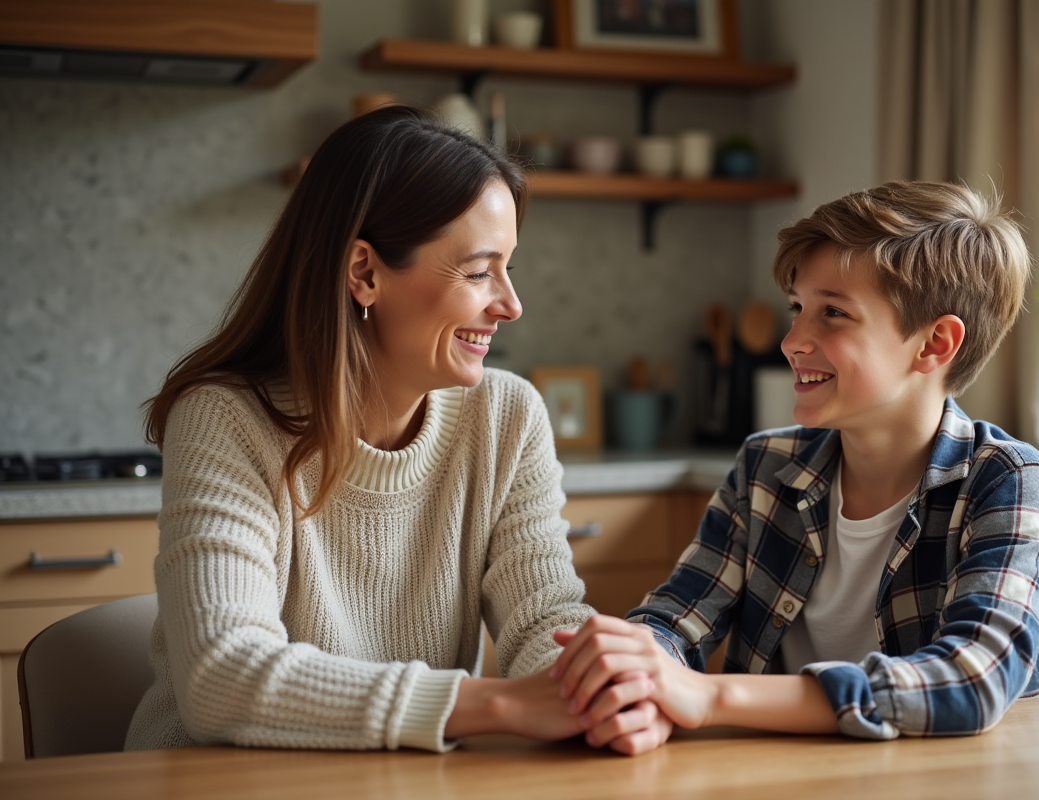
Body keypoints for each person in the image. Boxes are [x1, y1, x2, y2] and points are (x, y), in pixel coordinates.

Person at [124, 105, 663, 755]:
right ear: (365, 273)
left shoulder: (508, 416)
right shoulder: (227, 418)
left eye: (509, 267)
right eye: (479, 271)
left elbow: (542, 621)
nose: (511, 305)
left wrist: (601, 692)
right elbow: (221, 678)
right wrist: (497, 703)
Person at [551, 181, 1039, 748]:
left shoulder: (1008, 480)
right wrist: (638, 670)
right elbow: (679, 617)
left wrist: (710, 695)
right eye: (797, 308)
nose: (792, 339)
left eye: (834, 313)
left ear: (934, 343)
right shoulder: (765, 464)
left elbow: (974, 678)